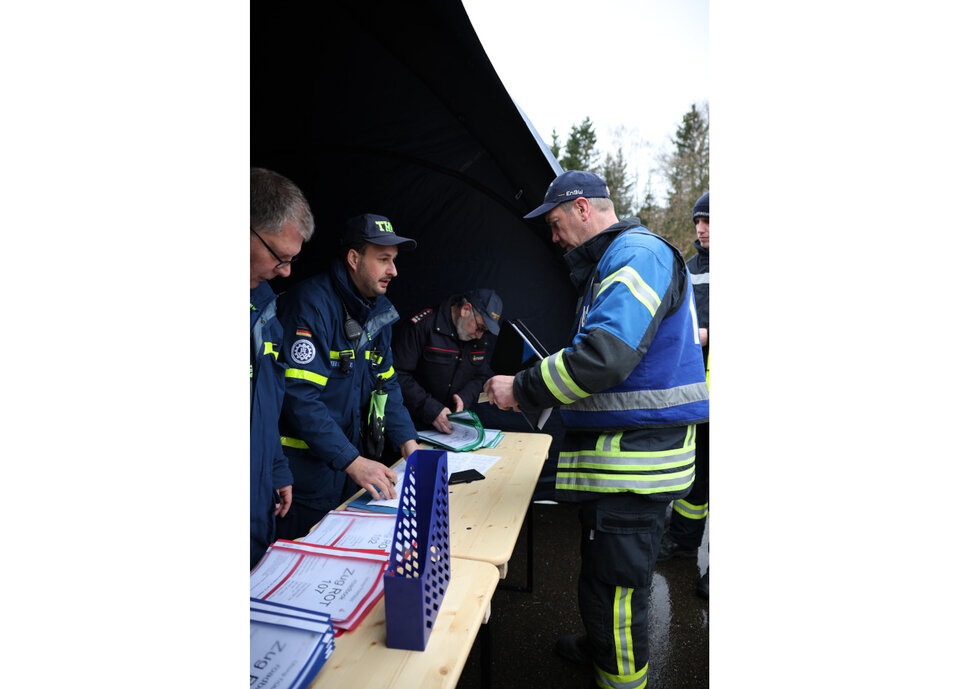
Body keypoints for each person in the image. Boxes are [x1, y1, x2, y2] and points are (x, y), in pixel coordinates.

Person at [483, 170, 708, 689]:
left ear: (583, 208)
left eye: (557, 224)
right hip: (623, 464)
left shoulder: (638, 256)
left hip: (635, 466)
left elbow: (603, 357)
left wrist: (521, 388)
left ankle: (621, 678)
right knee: (601, 577)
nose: (555, 238)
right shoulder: (617, 261)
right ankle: (598, 645)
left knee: (618, 592)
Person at [275, 213, 421, 540]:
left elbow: (387, 384)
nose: (393, 271)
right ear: (354, 259)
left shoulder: (378, 311)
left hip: (347, 472)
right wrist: (353, 462)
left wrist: (409, 444)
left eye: (394, 261)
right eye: (384, 259)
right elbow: (299, 399)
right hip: (304, 477)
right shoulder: (310, 305)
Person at [250, 167, 314, 568]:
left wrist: (276, 468)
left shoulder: (266, 309)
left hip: (257, 508)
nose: (287, 270)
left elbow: (268, 402)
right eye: (280, 257)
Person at [658, 192, 710, 599]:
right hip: (699, 396)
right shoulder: (689, 269)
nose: (701, 229)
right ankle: (683, 543)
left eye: (709, 221)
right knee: (696, 479)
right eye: (697, 222)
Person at [393, 289, 502, 433]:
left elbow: (480, 376)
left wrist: (465, 397)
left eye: (485, 331)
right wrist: (431, 409)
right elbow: (397, 374)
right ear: (465, 310)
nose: (480, 336)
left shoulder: (479, 338)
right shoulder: (423, 326)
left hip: (453, 430)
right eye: (480, 327)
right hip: (412, 427)